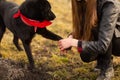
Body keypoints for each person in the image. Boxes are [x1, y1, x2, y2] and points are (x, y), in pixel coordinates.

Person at [58, 0, 120, 80]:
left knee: (98, 29)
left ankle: (106, 67)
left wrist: (73, 42)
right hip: (107, 36)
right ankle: (102, 61)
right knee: (86, 54)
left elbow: (103, 44)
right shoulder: (82, 2)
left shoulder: (110, 5)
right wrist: (71, 37)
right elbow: (86, 25)